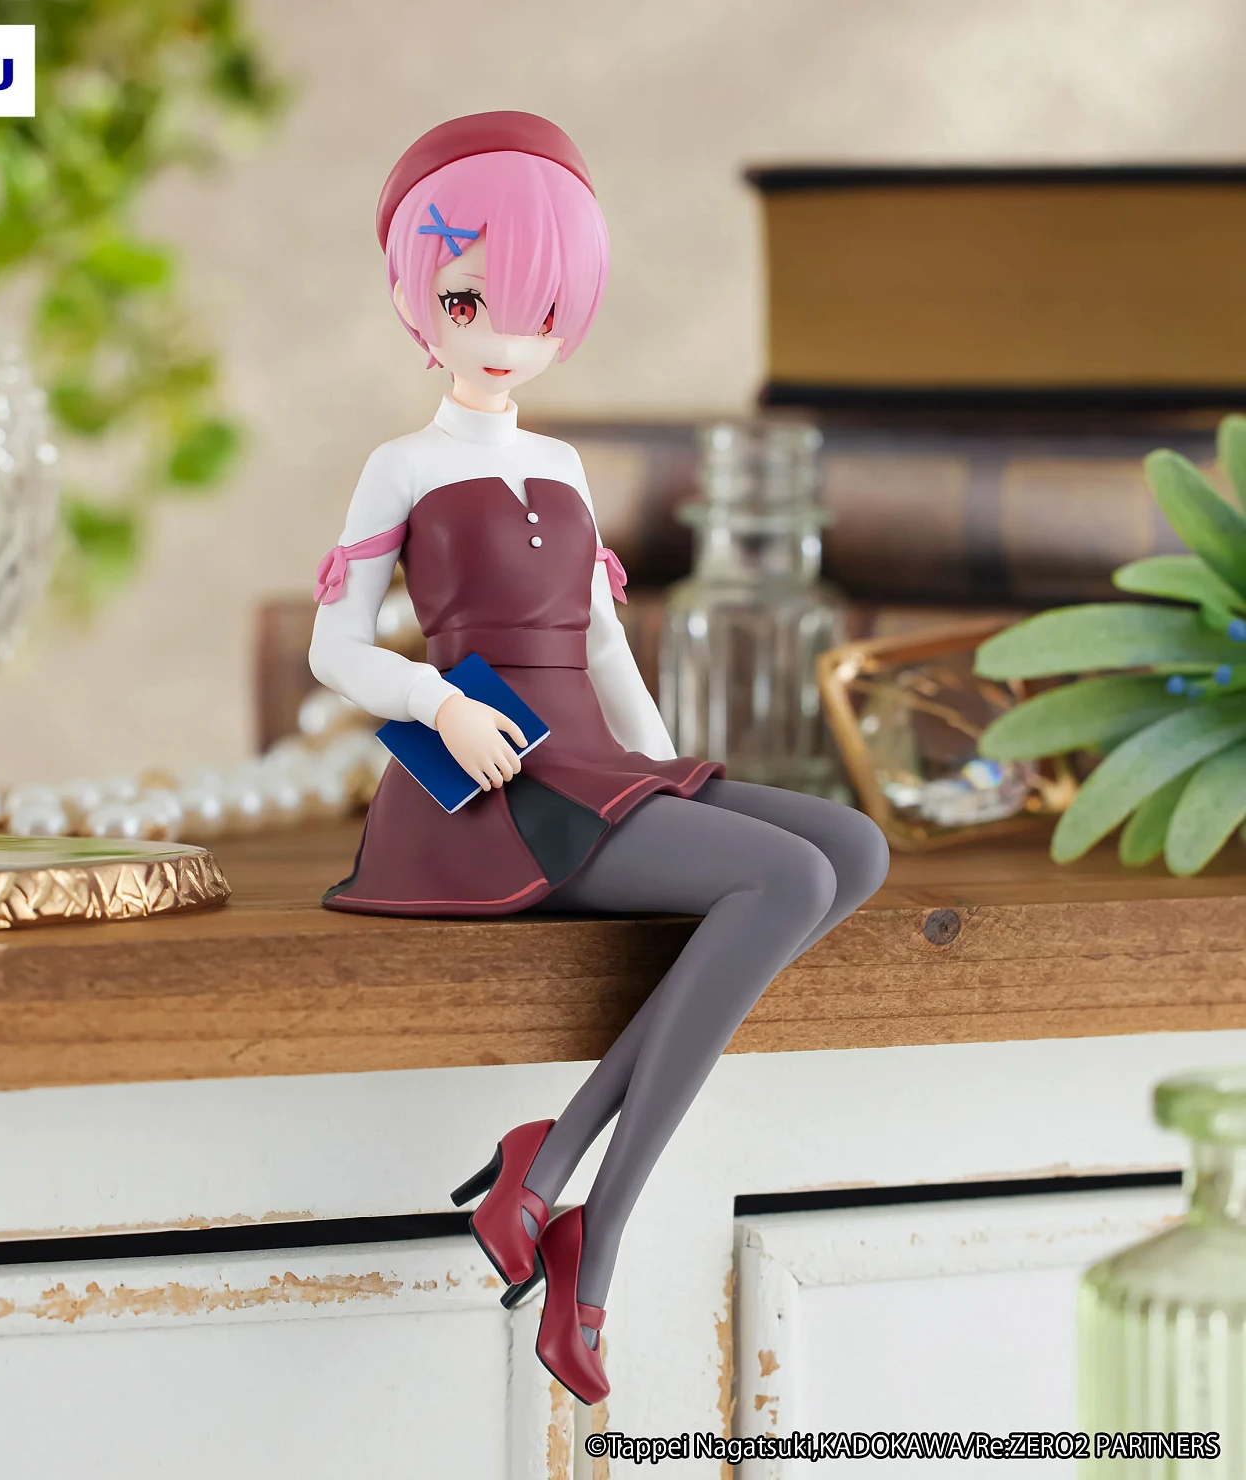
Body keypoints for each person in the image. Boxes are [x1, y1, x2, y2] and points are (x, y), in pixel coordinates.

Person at [308, 111, 889, 1404]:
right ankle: (594, 1233)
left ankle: (547, 1161)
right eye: (469, 300)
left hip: (592, 762)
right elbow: (333, 649)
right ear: (421, 299)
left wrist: (679, 782)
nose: (503, 335)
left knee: (850, 848)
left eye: (539, 309)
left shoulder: (563, 464)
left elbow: (608, 645)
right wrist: (438, 705)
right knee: (791, 880)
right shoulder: (400, 467)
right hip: (491, 789)